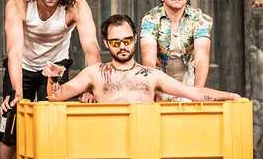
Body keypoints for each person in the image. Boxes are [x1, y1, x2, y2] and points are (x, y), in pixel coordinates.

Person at [0, 0, 100, 159]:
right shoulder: (19, 3)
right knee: (10, 125)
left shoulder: (76, 5)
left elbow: (91, 48)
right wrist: (17, 91)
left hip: (55, 68)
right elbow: (14, 51)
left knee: (52, 127)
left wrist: (91, 88)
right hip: (22, 66)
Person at [47, 14, 240, 103]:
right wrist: (53, 77)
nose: (122, 46)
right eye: (115, 42)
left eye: (127, 40)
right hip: (106, 140)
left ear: (135, 39)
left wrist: (230, 96)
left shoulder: (152, 75)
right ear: (106, 43)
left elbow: (192, 93)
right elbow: (56, 95)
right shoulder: (94, 73)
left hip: (145, 139)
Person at [141, 0, 212, 101]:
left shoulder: (199, 19)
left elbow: (202, 56)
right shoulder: (150, 19)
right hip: (160, 81)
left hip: (189, 83)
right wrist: (154, 89)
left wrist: (197, 93)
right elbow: (148, 57)